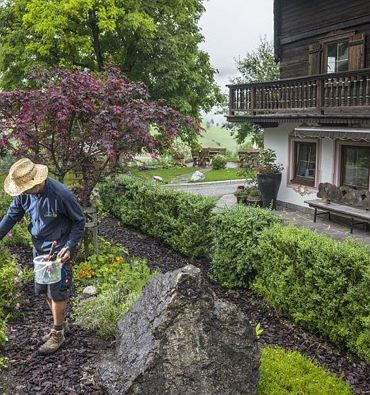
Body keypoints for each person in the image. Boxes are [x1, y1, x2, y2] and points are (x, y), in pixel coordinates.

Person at [0, 158, 85, 355]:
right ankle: (61, 324)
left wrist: (70, 246)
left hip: (60, 248)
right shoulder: (24, 195)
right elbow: (12, 216)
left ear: (36, 182)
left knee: (57, 290)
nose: (21, 192)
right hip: (40, 249)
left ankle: (57, 333)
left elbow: (79, 221)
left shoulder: (61, 194)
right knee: (44, 289)